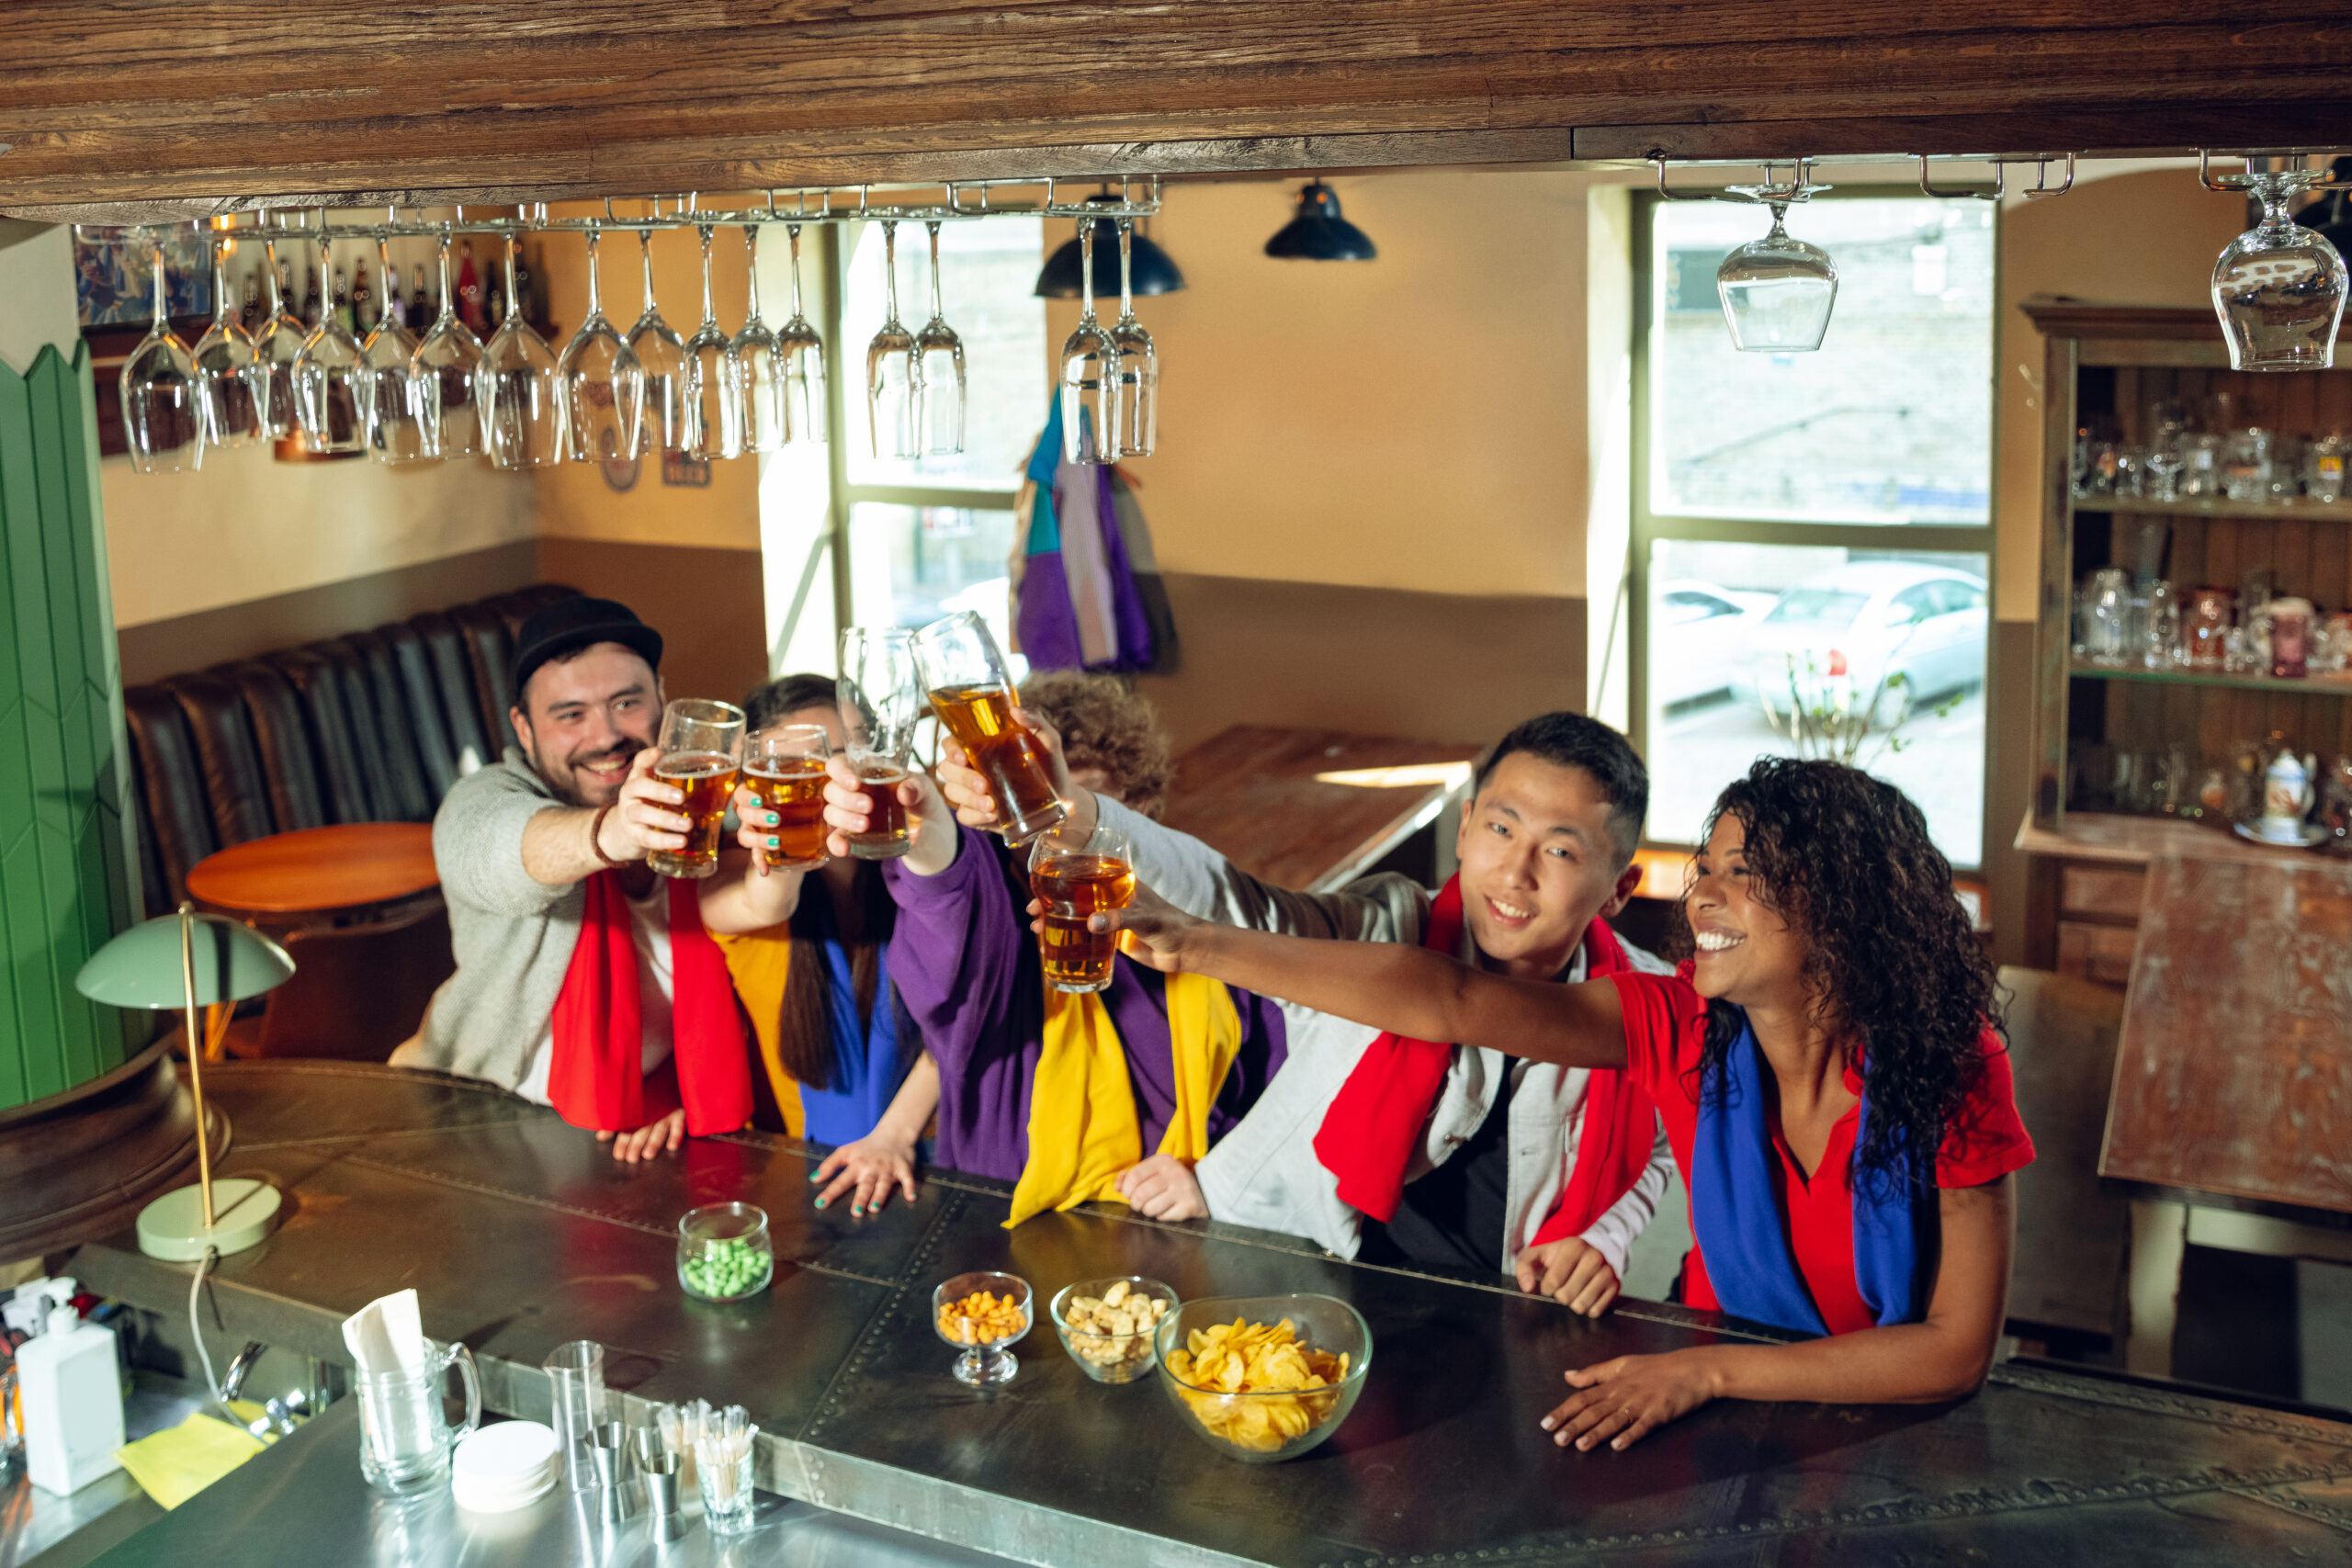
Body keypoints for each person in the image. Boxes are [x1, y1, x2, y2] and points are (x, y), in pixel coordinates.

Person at [1094, 756, 2035, 1451]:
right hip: (1723, 1400)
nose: (1700, 894)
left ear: (1838, 906)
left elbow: (1952, 1352)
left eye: (1739, 873)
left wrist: (1703, 1370)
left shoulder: (1949, 1063)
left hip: (1881, 1427)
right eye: (1701, 867)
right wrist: (1199, 947)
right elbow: (1445, 997)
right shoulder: (1675, 1025)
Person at [939, 708, 1679, 1316]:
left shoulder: (1643, 1002)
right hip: (1324, 1281)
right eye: (1502, 828)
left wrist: (1610, 1234)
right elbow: (1241, 901)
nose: (1516, 871)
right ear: (1465, 826)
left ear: (1619, 888)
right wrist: (1073, 811)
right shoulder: (1387, 923)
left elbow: (1671, 1139)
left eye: (1561, 851)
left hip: (1509, 1307)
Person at [817, 674, 1288, 1224]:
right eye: (1036, 808)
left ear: (1139, 808)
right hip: (1016, 1225)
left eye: (1082, 805)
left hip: (1179, 1223)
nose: (1059, 837)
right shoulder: (1002, 926)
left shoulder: (1209, 931)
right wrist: (929, 833)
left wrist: (1216, 1180)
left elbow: (1278, 1084)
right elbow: (949, 921)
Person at [394, 597, 796, 1161]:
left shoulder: (705, 805)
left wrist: (683, 1090)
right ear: (524, 729)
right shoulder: (482, 801)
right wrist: (613, 834)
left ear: (662, 696)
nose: (605, 736)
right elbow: (507, 851)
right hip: (483, 1114)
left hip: (648, 1125)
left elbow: (759, 940)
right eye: (570, 714)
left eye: (626, 702)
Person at [711, 674, 933, 1214]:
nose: (836, 776)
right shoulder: (727, 882)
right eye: (804, 762)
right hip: (799, 1179)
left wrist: (895, 1135)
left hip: (930, 1156)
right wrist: (779, 837)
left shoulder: (927, 870)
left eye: (849, 753)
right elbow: (768, 901)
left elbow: (972, 1007)